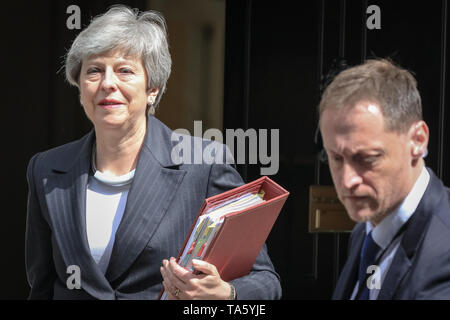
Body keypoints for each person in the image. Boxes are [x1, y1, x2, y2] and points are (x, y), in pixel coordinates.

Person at [25, 5, 281, 300]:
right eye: (94, 70)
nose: (108, 83)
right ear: (80, 85)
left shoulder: (204, 164)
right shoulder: (47, 169)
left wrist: (226, 293)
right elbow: (41, 284)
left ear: (153, 89)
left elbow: (266, 283)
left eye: (125, 70)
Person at [319, 58, 450, 299]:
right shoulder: (365, 230)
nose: (348, 181)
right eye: (336, 159)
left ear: (418, 140)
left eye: (367, 158)